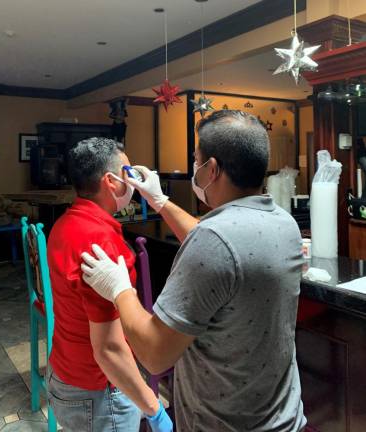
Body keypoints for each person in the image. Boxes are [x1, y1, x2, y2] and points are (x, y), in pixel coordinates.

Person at [81, 110, 307, 431]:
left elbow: (155, 354)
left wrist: (120, 289)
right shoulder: (283, 222)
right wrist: (159, 200)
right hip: (283, 418)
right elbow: (220, 246)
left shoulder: (214, 241)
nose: (195, 169)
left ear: (212, 169)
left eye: (196, 160)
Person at [46, 137, 172, 432]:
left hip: (65, 371)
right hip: (97, 389)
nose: (134, 181)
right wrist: (153, 409)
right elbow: (109, 349)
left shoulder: (66, 223)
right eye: (128, 173)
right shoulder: (101, 243)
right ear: (112, 182)